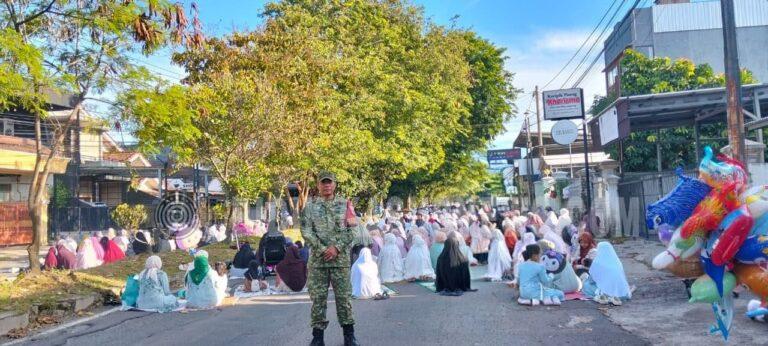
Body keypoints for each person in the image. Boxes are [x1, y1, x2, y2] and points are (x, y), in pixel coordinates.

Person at [300, 172, 359, 346]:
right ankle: (317, 338)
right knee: (318, 300)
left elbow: (353, 230)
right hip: (318, 263)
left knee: (344, 299)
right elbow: (306, 231)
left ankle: (349, 336)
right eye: (323, 183)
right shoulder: (309, 207)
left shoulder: (345, 204)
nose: (326, 185)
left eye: (329, 182)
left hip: (340, 262)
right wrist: (323, 249)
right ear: (318, 185)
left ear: (334, 185)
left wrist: (337, 248)